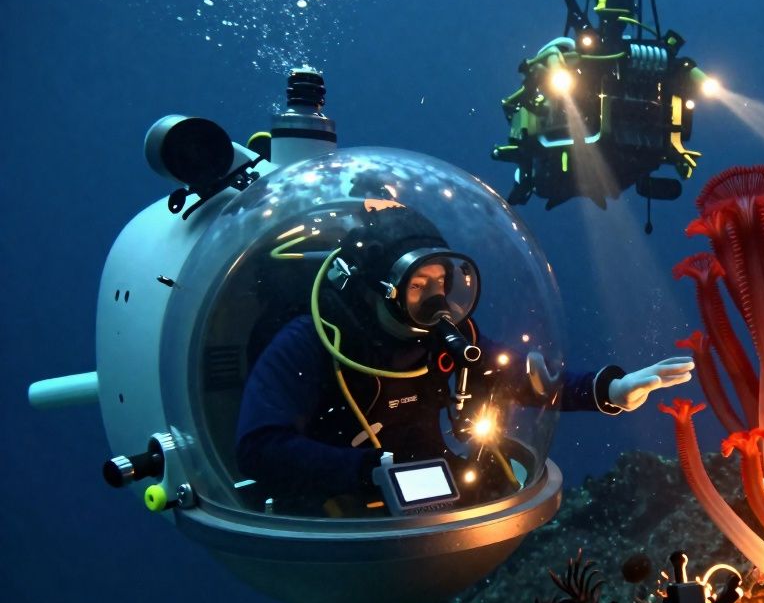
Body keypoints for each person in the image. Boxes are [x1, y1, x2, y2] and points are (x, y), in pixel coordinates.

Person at [236, 202, 692, 514]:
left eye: (441, 282)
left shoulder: (451, 336)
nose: (436, 299)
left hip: (428, 499)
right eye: (418, 285)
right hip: (342, 506)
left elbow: (525, 381)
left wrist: (610, 391)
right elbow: (259, 448)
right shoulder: (314, 340)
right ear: (381, 287)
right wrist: (366, 473)